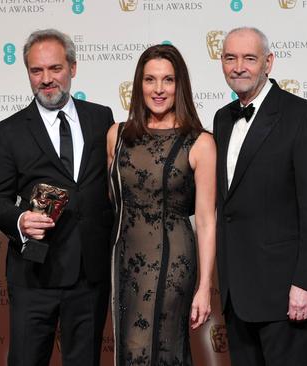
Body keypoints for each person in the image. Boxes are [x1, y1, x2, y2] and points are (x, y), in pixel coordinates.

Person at [0, 29, 114, 366]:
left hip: (89, 274)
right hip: (34, 275)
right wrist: (20, 220)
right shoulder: (8, 131)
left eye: (54, 68)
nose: (46, 79)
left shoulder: (102, 118)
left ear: (73, 67)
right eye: (36, 71)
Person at [213, 27, 307, 365]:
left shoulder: (303, 117)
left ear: (268, 62)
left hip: (286, 294)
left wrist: (306, 284)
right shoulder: (222, 119)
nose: (239, 67)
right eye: (230, 58)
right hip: (236, 294)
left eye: (249, 58)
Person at [106, 44, 216, 365]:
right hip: (124, 262)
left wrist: (205, 286)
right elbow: (113, 202)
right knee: (130, 347)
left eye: (167, 80)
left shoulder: (200, 142)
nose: (158, 89)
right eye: (150, 80)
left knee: (160, 347)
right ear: (138, 85)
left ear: (179, 85)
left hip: (172, 262)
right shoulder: (117, 135)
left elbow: (207, 220)